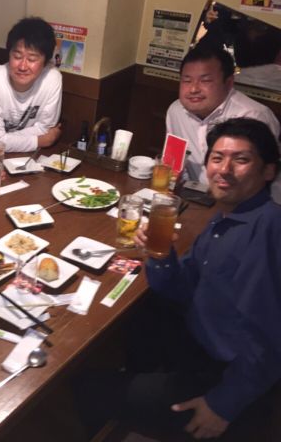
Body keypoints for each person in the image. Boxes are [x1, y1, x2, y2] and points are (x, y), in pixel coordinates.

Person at [75, 118, 281, 440]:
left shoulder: (268, 230)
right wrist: (161, 256)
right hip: (196, 338)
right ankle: (139, 384)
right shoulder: (227, 217)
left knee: (86, 386)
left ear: (268, 171)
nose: (224, 169)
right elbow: (179, 288)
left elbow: (270, 339)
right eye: (217, 158)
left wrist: (223, 405)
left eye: (241, 159)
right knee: (138, 316)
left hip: (220, 374)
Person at [165, 44, 280, 186]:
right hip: (194, 193)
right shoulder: (176, 111)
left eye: (205, 80)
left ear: (229, 83)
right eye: (187, 80)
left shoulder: (253, 116)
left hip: (240, 196)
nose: (193, 89)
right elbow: (174, 163)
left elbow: (263, 178)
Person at [0, 16, 63, 152]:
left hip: (21, 155)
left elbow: (45, 129)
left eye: (32, 59)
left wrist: (3, 140)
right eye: (17, 56)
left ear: (46, 61)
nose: (23, 66)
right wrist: (42, 140)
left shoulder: (52, 78)